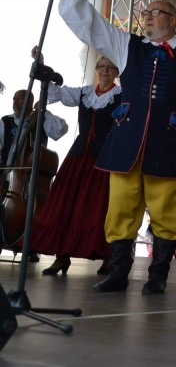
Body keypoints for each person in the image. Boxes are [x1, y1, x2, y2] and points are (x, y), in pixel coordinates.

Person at [55, 0, 176, 295]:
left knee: (166, 210)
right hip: (126, 142)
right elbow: (92, 26)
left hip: (169, 145)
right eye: (146, 12)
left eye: (156, 12)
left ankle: (158, 276)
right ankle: (118, 272)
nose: (148, 16)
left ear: (174, 19)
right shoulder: (127, 46)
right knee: (120, 207)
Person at [30, 49, 121, 276]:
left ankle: (108, 256)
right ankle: (62, 256)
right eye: (102, 67)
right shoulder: (84, 93)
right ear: (96, 70)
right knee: (66, 204)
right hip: (78, 156)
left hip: (104, 159)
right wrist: (41, 64)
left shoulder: (122, 95)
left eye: (110, 68)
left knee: (100, 207)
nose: (105, 71)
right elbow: (53, 94)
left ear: (117, 72)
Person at [1, 88, 69, 262]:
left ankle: (31, 245)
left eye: (20, 100)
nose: (15, 102)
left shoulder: (41, 118)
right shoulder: (5, 122)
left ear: (31, 103)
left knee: (36, 208)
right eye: (14, 99)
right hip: (7, 174)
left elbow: (61, 130)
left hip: (29, 180)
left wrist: (44, 111)